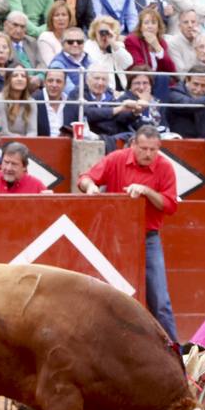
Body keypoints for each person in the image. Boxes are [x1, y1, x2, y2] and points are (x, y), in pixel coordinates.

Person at [77, 124, 179, 341]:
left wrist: (147, 192)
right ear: (133, 145)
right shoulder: (116, 159)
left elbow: (170, 206)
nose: (148, 154)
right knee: (108, 295)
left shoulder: (165, 167)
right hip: (115, 239)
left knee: (160, 301)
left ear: (159, 147)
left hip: (147, 238)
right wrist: (91, 187)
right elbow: (84, 178)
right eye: (143, 148)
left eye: (153, 150)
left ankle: (176, 352)